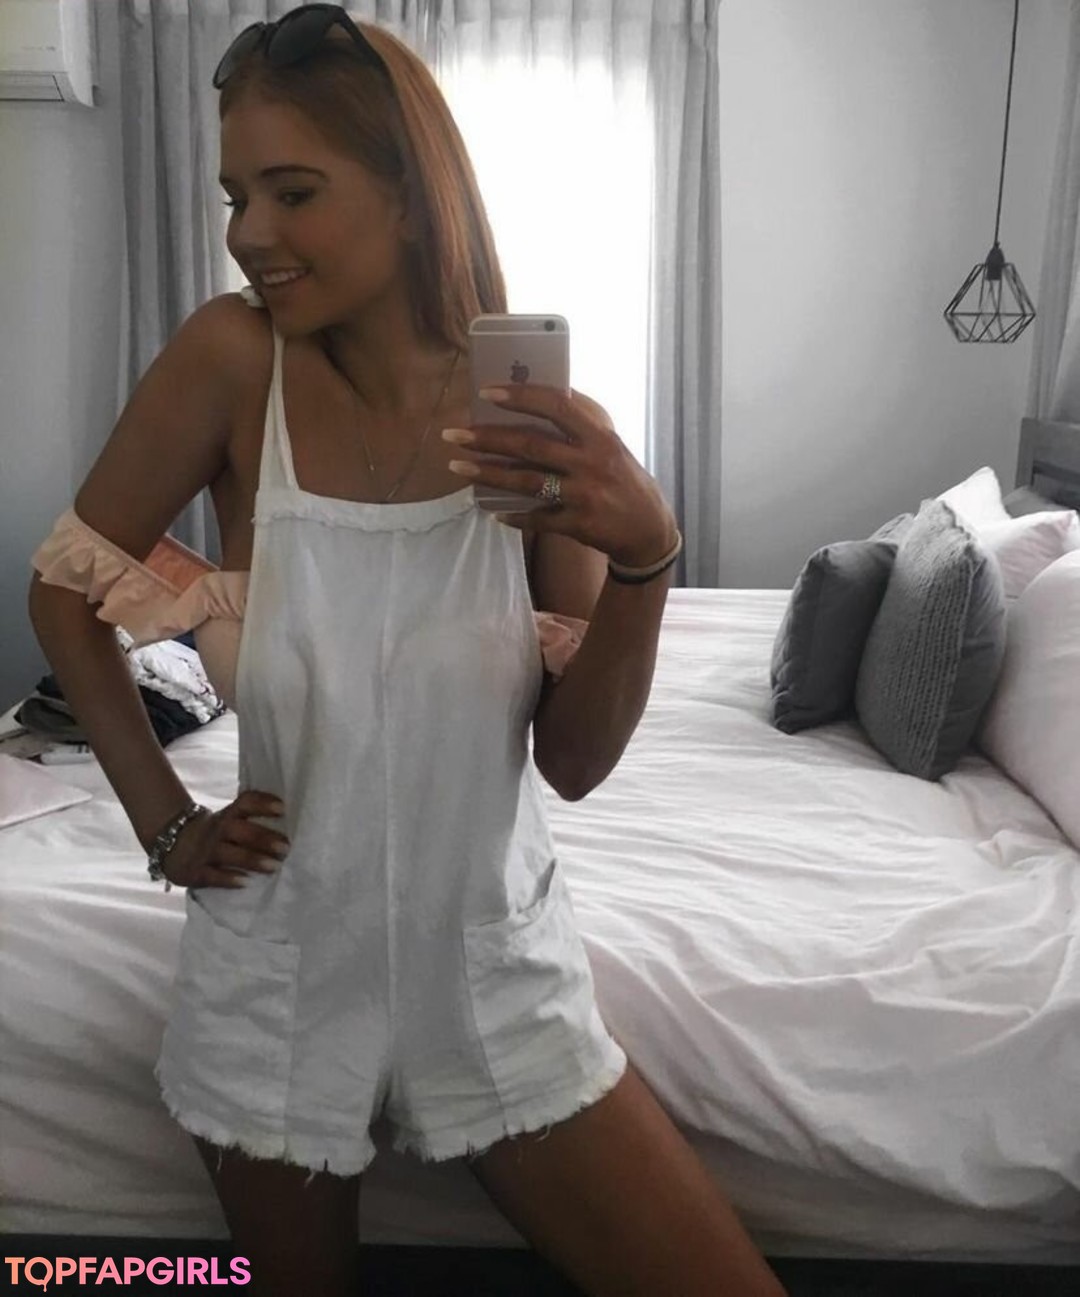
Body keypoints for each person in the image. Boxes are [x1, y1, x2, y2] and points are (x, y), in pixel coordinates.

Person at [27, 6, 788, 1295]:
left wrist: (647, 559)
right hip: (275, 967)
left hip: (490, 963)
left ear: (411, 193)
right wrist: (168, 827)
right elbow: (65, 596)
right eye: (236, 195)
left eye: (295, 191)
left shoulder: (530, 425)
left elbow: (575, 764)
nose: (248, 233)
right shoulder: (234, 363)